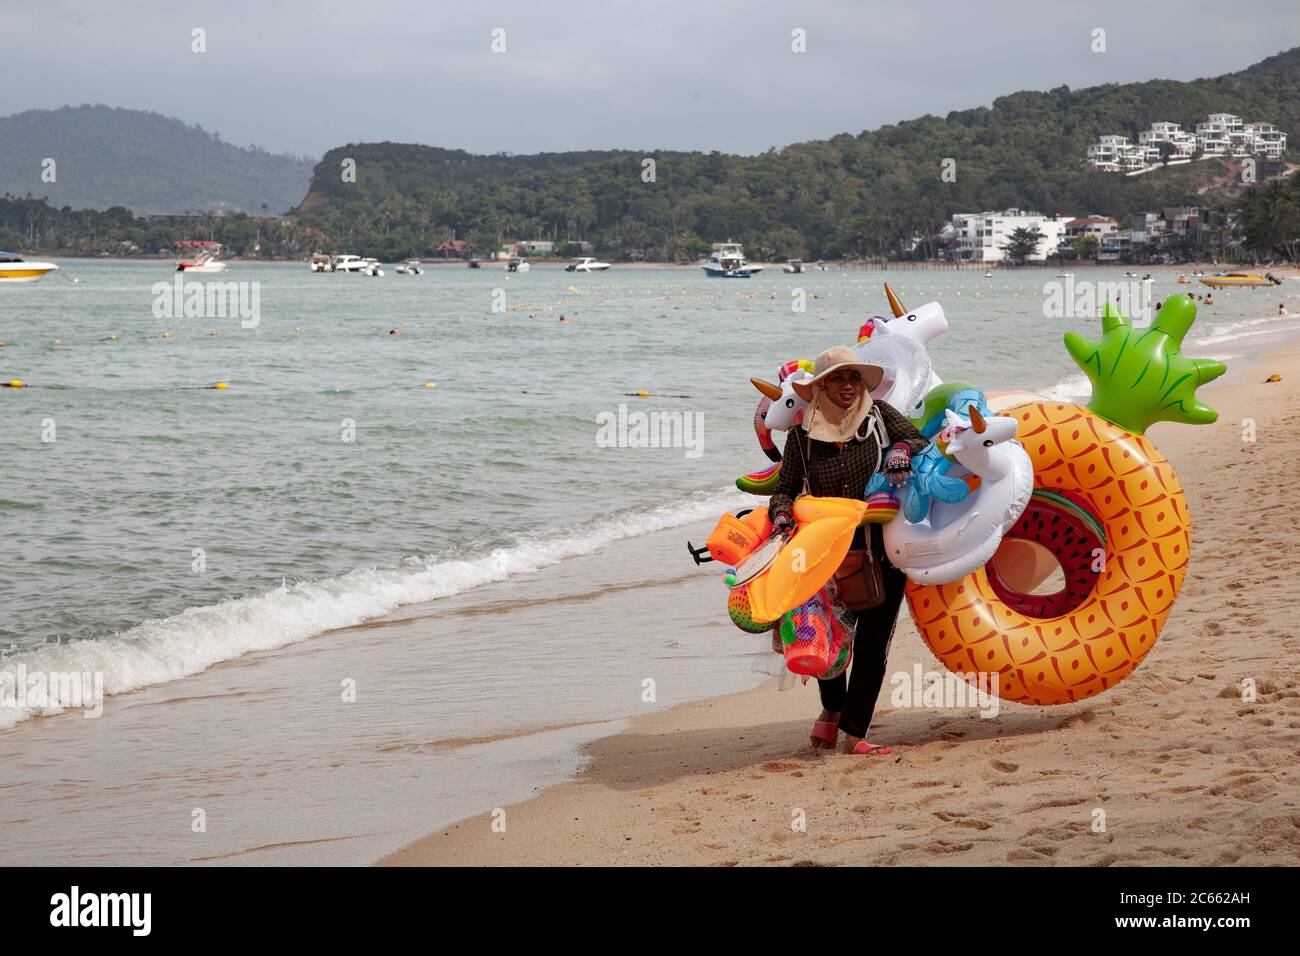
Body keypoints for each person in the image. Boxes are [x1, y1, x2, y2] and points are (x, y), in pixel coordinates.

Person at [767, 346, 927, 756]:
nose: (848, 386)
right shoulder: (802, 437)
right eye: (838, 378)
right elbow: (784, 489)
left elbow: (917, 438)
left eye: (854, 378)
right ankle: (831, 711)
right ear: (820, 385)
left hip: (879, 552)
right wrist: (783, 517)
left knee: (873, 646)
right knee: (826, 639)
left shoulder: (879, 418)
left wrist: (899, 451)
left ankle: (855, 733)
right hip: (824, 554)